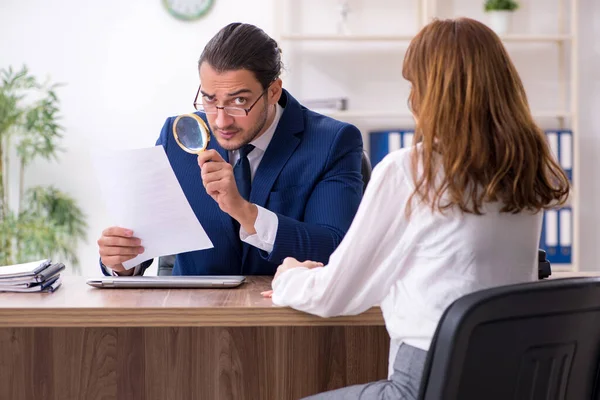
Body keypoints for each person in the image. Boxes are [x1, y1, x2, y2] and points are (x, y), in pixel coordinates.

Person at [265, 17, 571, 400]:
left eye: (414, 85)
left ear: (433, 92)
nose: (411, 99)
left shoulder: (409, 170)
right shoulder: (525, 170)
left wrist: (289, 276)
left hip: (427, 383)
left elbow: (334, 297)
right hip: (510, 379)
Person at [97, 23, 364, 276]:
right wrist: (122, 261)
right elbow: (145, 244)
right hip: (189, 316)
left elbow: (334, 247)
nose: (221, 121)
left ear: (273, 91)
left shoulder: (332, 142)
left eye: (239, 101)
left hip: (284, 312)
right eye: (210, 100)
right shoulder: (179, 136)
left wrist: (244, 211)